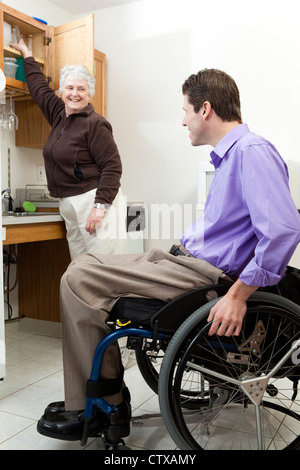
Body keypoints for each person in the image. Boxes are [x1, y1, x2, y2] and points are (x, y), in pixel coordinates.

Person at [36, 68, 300, 441]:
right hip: (182, 262)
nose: (183, 120)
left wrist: (238, 296)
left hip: (204, 276)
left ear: (205, 109)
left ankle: (102, 402)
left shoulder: (251, 151)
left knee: (78, 280)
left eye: (185, 111)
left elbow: (284, 231)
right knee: (81, 266)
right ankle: (99, 394)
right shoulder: (233, 156)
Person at [11, 39, 127, 260]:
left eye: (81, 89)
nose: (75, 93)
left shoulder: (95, 123)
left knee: (104, 270)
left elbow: (112, 167)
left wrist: (99, 207)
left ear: (89, 94)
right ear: (62, 90)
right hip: (68, 204)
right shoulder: (58, 114)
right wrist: (26, 53)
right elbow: (38, 88)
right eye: (70, 87)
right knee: (81, 269)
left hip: (93, 200)